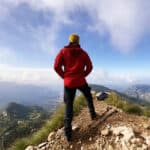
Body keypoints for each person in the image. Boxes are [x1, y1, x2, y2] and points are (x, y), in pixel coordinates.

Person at [54, 33, 96, 142]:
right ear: (78, 41)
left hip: (69, 83)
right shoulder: (83, 53)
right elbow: (90, 67)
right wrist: (83, 75)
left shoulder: (63, 52)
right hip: (81, 81)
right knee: (88, 96)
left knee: (69, 105)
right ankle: (93, 114)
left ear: (70, 41)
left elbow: (56, 66)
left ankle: (68, 133)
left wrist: (65, 76)